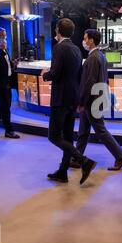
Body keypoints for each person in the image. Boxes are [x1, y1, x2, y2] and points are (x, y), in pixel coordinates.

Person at [41, 18, 97, 185]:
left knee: (54, 136)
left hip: (60, 99)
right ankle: (62, 172)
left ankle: (84, 160)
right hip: (72, 98)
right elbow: (79, 76)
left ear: (58, 30)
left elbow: (56, 73)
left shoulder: (59, 48)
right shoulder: (77, 49)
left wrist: (45, 74)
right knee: (67, 136)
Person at [73, 29, 122, 171]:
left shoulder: (93, 58)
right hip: (95, 99)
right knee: (83, 131)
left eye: (85, 38)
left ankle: (121, 157)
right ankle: (77, 158)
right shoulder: (100, 56)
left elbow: (89, 83)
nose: (84, 41)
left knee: (100, 131)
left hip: (92, 101)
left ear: (92, 40)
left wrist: (81, 102)